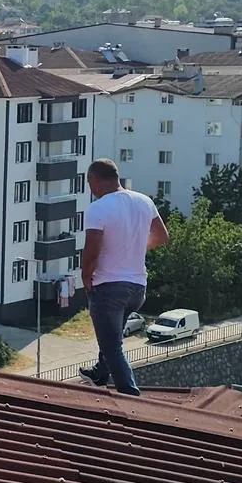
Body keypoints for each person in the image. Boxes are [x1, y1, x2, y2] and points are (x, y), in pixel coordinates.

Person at [78, 159, 170, 395]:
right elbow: (161, 236)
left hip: (109, 287)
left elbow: (91, 251)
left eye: (89, 183)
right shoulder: (143, 201)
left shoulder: (98, 208)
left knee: (112, 346)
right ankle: (100, 372)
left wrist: (85, 276)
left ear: (94, 180)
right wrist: (135, 247)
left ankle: (130, 395)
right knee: (113, 333)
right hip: (137, 287)